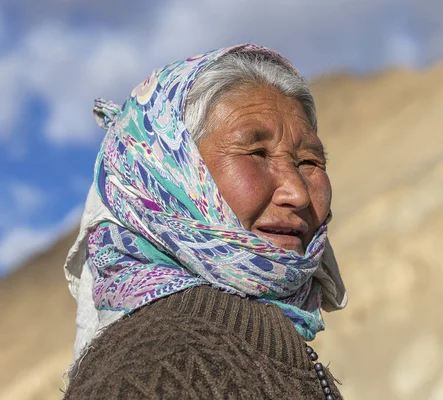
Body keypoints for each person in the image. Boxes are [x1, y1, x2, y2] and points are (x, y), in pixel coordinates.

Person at [62, 44, 347, 399]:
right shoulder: (152, 373)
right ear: (168, 179)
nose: (298, 193)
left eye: (308, 162)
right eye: (256, 153)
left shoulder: (261, 341)